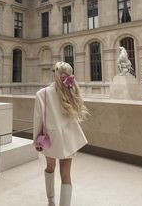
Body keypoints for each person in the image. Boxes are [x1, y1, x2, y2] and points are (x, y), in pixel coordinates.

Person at [33, 61, 88, 206]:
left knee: (50, 168)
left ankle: (50, 201)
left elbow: (38, 119)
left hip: (50, 139)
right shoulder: (71, 91)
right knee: (66, 176)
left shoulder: (42, 93)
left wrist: (35, 141)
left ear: (54, 74)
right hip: (68, 139)